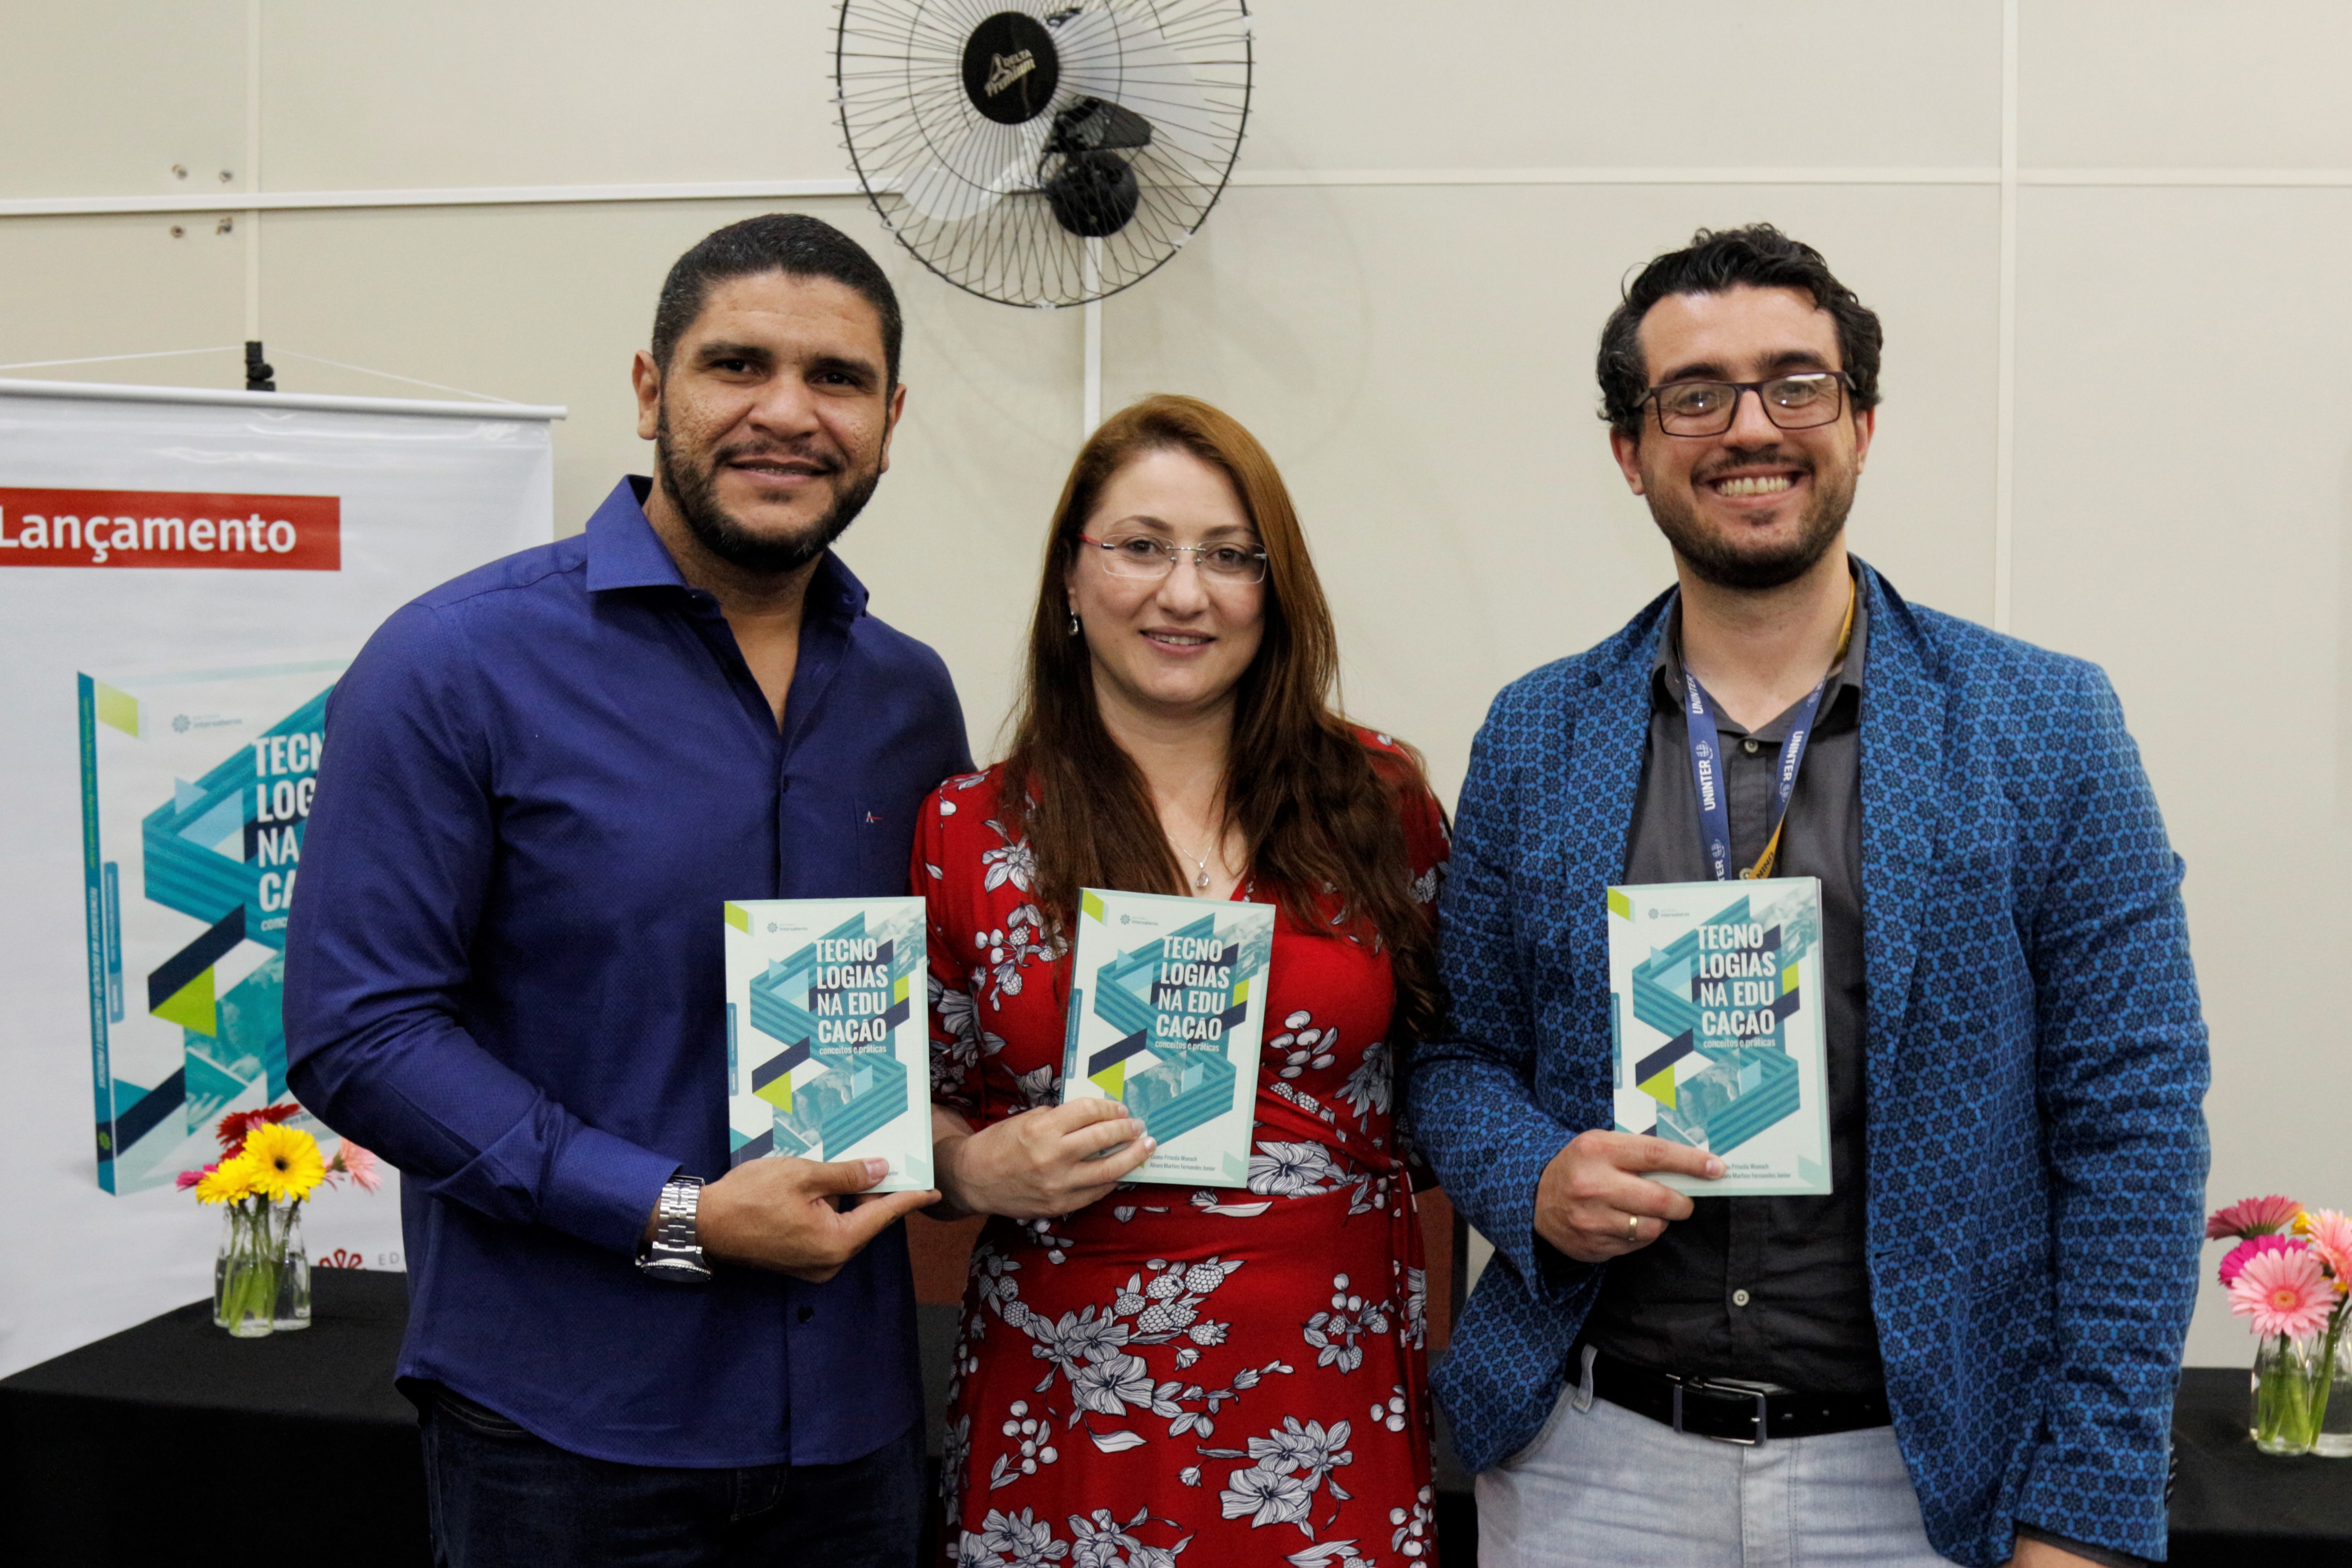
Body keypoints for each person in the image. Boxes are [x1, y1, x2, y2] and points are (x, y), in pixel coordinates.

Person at [1409, 226, 2208, 1568]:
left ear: (1861, 424)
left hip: (1926, 1482)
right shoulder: (1537, 734)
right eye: (1694, 395)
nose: (1749, 428)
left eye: (1795, 385)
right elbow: (1454, 1060)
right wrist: (1532, 1178)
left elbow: (2136, 1123)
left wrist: (2087, 1506)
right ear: (1631, 452)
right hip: (1590, 1467)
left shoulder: (2044, 723)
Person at [284, 213, 967, 1567]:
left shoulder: (908, 694)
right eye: (737, 365)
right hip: (565, 1428)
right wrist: (676, 1216)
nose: (789, 413)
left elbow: (930, 1008)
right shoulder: (454, 664)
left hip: (854, 1427)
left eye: (836, 379)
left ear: (889, 422)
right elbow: (360, 1033)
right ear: (653, 390)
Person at [919, 395, 1449, 1566]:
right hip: (1068, 1397)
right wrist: (968, 1168)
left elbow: (1451, 1068)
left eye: (1229, 556)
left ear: (1276, 587)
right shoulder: (970, 829)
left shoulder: (1378, 801)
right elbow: (921, 1100)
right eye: (1142, 547)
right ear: (1071, 575)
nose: (1184, 593)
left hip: (1324, 1391)